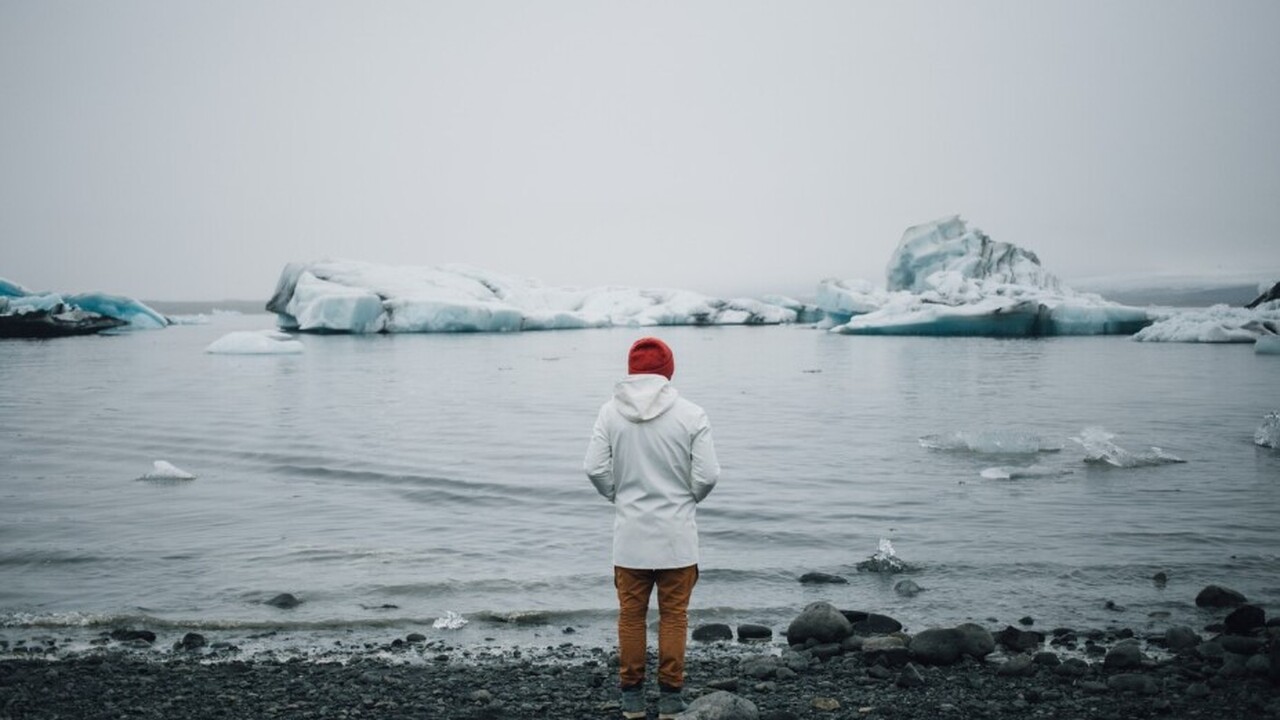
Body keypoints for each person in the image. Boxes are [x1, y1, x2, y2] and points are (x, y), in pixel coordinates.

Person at [584, 336, 720, 720]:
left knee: (631, 616)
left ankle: (631, 701)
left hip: (630, 538)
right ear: (668, 371)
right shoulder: (692, 414)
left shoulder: (610, 413)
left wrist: (618, 496)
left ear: (631, 370)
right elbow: (708, 474)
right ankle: (672, 699)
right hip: (676, 537)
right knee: (674, 616)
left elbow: (593, 468)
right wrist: (687, 498)